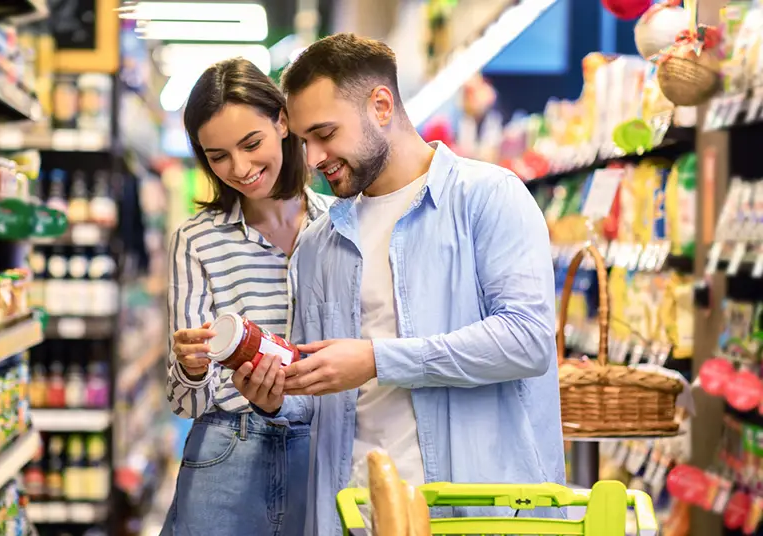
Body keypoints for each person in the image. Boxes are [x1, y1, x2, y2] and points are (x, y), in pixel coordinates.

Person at [232, 33, 565, 536]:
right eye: (302, 140)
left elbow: (527, 341)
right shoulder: (319, 245)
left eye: (325, 133)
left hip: (473, 514)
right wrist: (274, 394)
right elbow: (320, 397)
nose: (314, 156)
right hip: (354, 515)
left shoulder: (488, 197)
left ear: (381, 105)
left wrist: (376, 359)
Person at [161, 58, 330, 536]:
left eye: (251, 143)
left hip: (322, 451)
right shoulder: (196, 240)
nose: (240, 168)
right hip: (226, 453)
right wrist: (192, 369)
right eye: (217, 155)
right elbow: (184, 404)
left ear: (282, 120)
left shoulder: (339, 226)